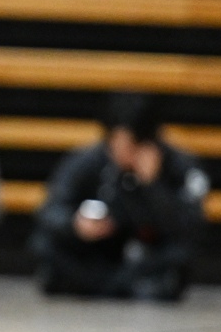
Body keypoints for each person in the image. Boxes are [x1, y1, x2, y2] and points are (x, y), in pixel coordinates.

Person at [33, 94, 208, 300]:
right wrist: (75, 224)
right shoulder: (86, 162)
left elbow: (189, 227)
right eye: (117, 145)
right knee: (45, 243)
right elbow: (50, 210)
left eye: (131, 147)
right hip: (99, 254)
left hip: (146, 258)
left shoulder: (181, 168)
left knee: (178, 255)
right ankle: (109, 285)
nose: (122, 154)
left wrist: (153, 186)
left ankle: (118, 286)